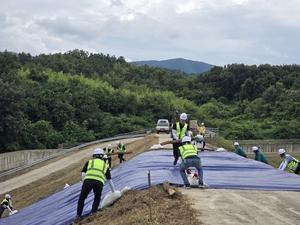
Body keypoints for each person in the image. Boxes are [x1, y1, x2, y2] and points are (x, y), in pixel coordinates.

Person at [73, 148, 115, 223]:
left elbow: (83, 173)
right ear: (102, 156)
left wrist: (84, 181)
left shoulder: (89, 162)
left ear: (94, 156)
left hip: (87, 182)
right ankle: (93, 213)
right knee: (97, 198)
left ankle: (78, 216)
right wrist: (113, 191)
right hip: (98, 183)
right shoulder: (105, 165)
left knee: (82, 198)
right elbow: (109, 179)